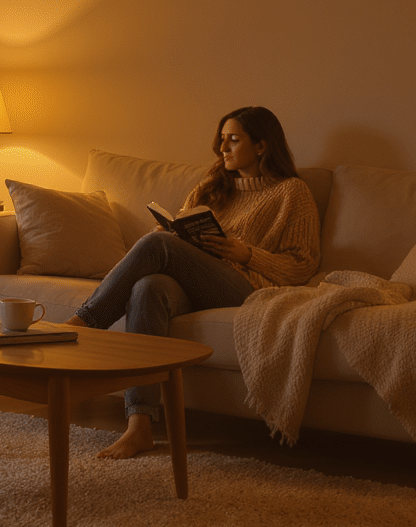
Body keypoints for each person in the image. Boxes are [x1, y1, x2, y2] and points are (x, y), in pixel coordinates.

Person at [64, 106, 321, 459]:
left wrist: (244, 253)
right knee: (147, 288)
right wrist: (169, 233)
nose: (223, 149)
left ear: (261, 146)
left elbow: (302, 266)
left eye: (233, 140)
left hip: (245, 287)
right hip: (192, 283)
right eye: (221, 140)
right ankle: (139, 427)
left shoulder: (292, 193)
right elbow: (176, 237)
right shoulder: (211, 187)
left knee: (157, 246)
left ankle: (82, 326)